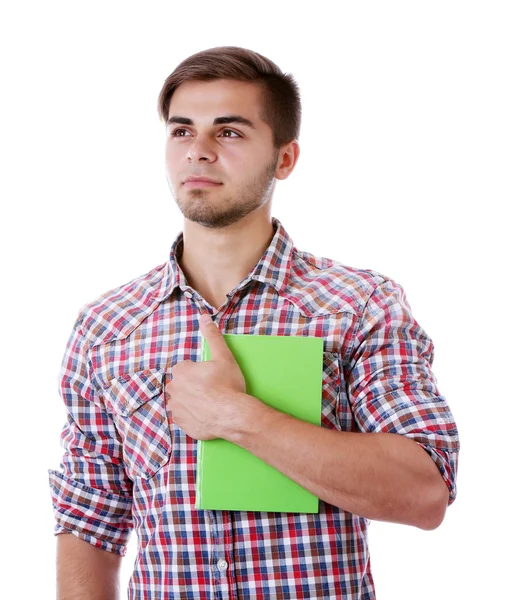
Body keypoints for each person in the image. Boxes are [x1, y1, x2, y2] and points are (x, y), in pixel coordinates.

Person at [48, 46, 460, 600]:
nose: (199, 152)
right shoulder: (107, 328)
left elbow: (424, 492)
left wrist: (240, 419)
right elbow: (89, 521)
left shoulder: (359, 305)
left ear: (284, 159)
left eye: (230, 133)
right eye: (181, 131)